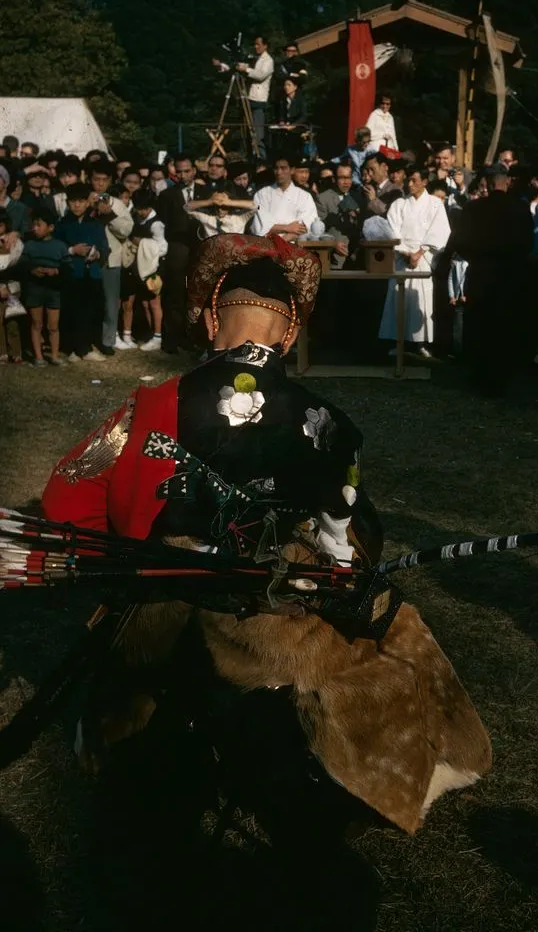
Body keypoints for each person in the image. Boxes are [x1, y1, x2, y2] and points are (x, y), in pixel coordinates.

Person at [42, 232, 491, 844]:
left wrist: (120, 554)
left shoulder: (148, 408)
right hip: (283, 620)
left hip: (166, 605)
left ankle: (131, 740)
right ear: (289, 334)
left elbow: (66, 498)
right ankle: (383, 761)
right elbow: (356, 533)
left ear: (210, 321)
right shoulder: (330, 425)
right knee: (389, 624)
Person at [452, 167, 534, 393]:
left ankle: (479, 376)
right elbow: (528, 244)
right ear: (507, 183)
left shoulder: (473, 209)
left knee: (480, 326)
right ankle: (502, 378)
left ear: (487, 184)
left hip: (481, 273)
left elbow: (460, 243)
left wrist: (477, 257)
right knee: (505, 326)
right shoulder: (520, 208)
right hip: (510, 275)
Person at [378, 166, 451, 356]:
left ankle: (421, 344)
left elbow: (439, 231)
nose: (410, 184)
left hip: (423, 258)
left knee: (421, 301)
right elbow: (391, 231)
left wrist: (419, 252)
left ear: (425, 182)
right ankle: (398, 342)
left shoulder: (435, 204)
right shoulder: (399, 204)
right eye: (408, 180)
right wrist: (405, 253)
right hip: (402, 258)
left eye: (414, 181)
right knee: (398, 299)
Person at [55, 182, 109, 362]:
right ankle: (70, 348)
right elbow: (55, 247)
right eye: (73, 201)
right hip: (71, 274)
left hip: (91, 274)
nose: (77, 205)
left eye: (80, 201)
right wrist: (72, 250)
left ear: (87, 203)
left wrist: (98, 254)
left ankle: (86, 347)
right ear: (67, 203)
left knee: (90, 310)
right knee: (71, 310)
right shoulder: (62, 224)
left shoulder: (96, 224)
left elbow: (104, 247)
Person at [156, 153, 201, 353]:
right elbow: (162, 225)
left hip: (201, 249)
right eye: (179, 172)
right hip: (176, 249)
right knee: (174, 294)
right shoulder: (167, 195)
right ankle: (172, 339)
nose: (183, 175)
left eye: (187, 171)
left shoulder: (206, 193)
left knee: (196, 295)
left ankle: (194, 338)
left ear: (194, 170)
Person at [89, 160, 134, 354]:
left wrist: (109, 215)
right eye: (96, 179)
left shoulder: (116, 204)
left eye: (104, 180)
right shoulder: (83, 200)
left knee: (110, 302)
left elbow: (126, 230)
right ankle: (87, 338)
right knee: (88, 301)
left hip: (111, 259)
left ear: (110, 181)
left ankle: (107, 341)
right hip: (87, 258)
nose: (100, 184)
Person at [20, 208, 71, 366]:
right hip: (35, 288)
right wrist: (33, 270)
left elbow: (68, 268)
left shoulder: (60, 246)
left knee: (53, 325)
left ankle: (54, 356)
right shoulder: (29, 245)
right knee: (37, 323)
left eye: (39, 225)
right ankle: (39, 357)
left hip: (53, 289)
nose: (35, 228)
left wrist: (56, 271)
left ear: (51, 227)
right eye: (34, 225)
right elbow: (22, 264)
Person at [119, 189, 168, 352]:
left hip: (154, 268)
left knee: (154, 303)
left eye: (144, 209)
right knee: (145, 303)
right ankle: (152, 333)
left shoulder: (156, 224)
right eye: (139, 208)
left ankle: (158, 336)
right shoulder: (136, 218)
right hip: (141, 267)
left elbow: (163, 248)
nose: (141, 212)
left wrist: (142, 243)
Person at [251, 156, 317, 241]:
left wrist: (282, 241)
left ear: (292, 170)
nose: (279, 172)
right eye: (276, 168)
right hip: (267, 244)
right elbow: (260, 226)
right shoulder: (261, 194)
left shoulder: (305, 196)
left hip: (294, 245)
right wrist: (287, 227)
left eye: (283, 168)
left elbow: (306, 226)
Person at [235, 36, 274, 161]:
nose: (256, 47)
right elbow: (249, 66)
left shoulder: (268, 60)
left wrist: (246, 69)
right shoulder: (255, 59)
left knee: (257, 133)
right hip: (249, 97)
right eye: (255, 44)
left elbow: (260, 75)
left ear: (265, 46)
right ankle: (247, 156)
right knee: (246, 132)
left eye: (258, 44)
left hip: (259, 99)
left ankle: (261, 158)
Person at [0, 209, 24, 363]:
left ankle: (16, 351)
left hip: (13, 286)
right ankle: (2, 352)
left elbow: (15, 263)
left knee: (12, 320)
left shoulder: (15, 241)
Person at [185, 188, 257, 239]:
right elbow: (186, 207)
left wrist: (229, 202)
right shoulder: (208, 218)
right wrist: (210, 201)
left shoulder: (239, 218)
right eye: (217, 206)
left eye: (223, 207)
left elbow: (255, 206)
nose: (220, 210)